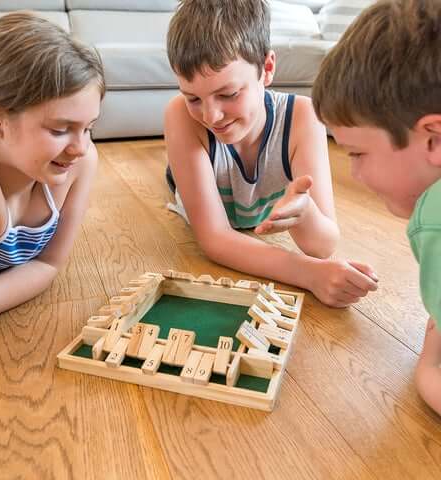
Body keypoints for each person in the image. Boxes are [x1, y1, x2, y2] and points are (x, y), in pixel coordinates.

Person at [164, 0, 378, 307]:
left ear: (267, 68)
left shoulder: (303, 116)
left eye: (228, 94)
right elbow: (214, 239)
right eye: (193, 98)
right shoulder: (181, 116)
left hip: (243, 185)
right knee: (179, 173)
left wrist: (305, 214)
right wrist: (309, 275)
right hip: (203, 171)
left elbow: (322, 245)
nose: (211, 116)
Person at [311, 0, 441, 415]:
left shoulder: (434, 220)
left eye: (355, 154)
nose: (354, 174)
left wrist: (430, 372)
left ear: (433, 139)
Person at [0, 12, 105, 329]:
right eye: (59, 130)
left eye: (88, 128)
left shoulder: (80, 160)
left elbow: (48, 264)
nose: (80, 147)